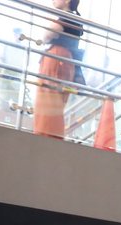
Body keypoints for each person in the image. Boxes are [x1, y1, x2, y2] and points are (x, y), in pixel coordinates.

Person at [32, 0, 83, 139]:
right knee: (52, 102)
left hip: (56, 60)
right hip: (62, 61)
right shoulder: (73, 18)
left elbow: (47, 35)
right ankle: (48, 135)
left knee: (49, 99)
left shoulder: (68, 17)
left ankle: (47, 136)